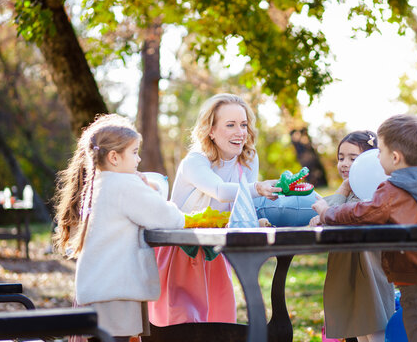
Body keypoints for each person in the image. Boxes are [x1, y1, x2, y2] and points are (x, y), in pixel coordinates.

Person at [312, 114, 417, 342]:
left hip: (415, 279)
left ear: (394, 157)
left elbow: (361, 213)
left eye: (380, 151)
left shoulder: (392, 190)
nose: (376, 158)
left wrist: (327, 212)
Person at [149, 93, 281, 326]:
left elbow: (244, 207)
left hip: (216, 252)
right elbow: (220, 191)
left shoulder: (248, 159)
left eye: (243, 124)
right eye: (230, 125)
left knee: (219, 320)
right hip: (181, 251)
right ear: (211, 130)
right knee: (181, 323)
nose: (240, 132)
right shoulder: (195, 161)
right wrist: (258, 188)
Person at [53, 114, 185, 341]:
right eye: (134, 152)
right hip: (116, 292)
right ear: (114, 157)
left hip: (100, 289)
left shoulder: (98, 184)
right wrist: (151, 189)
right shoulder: (124, 185)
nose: (139, 159)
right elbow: (171, 219)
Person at [310, 131, 394, 342]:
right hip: (349, 269)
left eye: (353, 158)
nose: (344, 164)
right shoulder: (350, 191)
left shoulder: (370, 192)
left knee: (374, 325)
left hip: (368, 271)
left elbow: (335, 218)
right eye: (341, 158)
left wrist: (332, 203)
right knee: (357, 326)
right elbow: (327, 214)